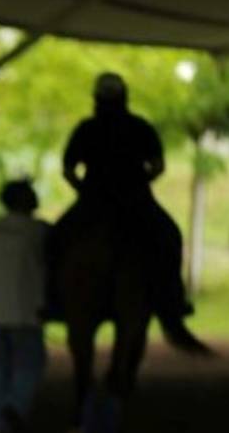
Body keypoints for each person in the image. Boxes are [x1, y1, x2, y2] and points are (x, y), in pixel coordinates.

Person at [46, 71, 189, 319]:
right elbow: (158, 166)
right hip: (136, 202)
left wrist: (85, 190)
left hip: (93, 203)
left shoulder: (87, 128)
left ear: (96, 99)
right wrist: (140, 182)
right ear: (125, 97)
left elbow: (68, 170)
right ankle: (172, 298)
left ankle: (52, 300)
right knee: (169, 235)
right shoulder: (140, 127)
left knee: (54, 240)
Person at [0, 180, 51, 433]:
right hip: (28, 310)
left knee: (1, 370)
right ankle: (14, 407)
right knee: (30, 365)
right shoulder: (38, 231)